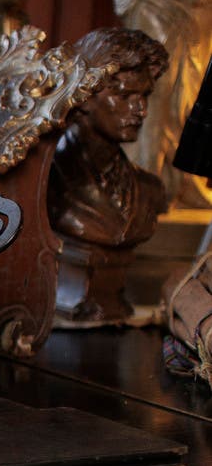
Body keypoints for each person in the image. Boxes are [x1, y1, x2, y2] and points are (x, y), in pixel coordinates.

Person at [48, 28, 168, 322]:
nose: (141, 110)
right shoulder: (48, 181)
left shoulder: (149, 189)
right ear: (85, 96)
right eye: (125, 95)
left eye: (145, 96)